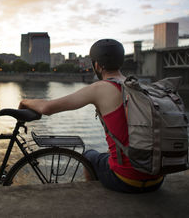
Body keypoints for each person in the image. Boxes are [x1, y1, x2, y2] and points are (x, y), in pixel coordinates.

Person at [18, 39, 164, 193]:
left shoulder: (100, 88)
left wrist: (25, 101)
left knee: (88, 156)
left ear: (97, 65)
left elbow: (47, 108)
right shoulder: (140, 86)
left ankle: (93, 197)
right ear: (120, 63)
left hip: (126, 181)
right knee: (109, 154)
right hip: (157, 179)